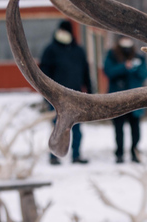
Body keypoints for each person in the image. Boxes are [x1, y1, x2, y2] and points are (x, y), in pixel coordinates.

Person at [40, 20, 92, 165]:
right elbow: (43, 74)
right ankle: (54, 155)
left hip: (76, 96)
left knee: (76, 128)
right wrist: (46, 95)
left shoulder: (78, 50)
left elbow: (85, 73)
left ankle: (76, 155)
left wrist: (90, 91)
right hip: (56, 98)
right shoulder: (50, 50)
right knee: (57, 127)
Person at [103, 37, 147, 163]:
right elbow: (108, 71)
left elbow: (145, 74)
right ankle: (119, 154)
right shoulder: (112, 55)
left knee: (135, 129)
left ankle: (135, 152)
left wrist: (135, 68)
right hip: (117, 99)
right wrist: (124, 67)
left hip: (136, 99)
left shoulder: (139, 56)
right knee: (118, 129)